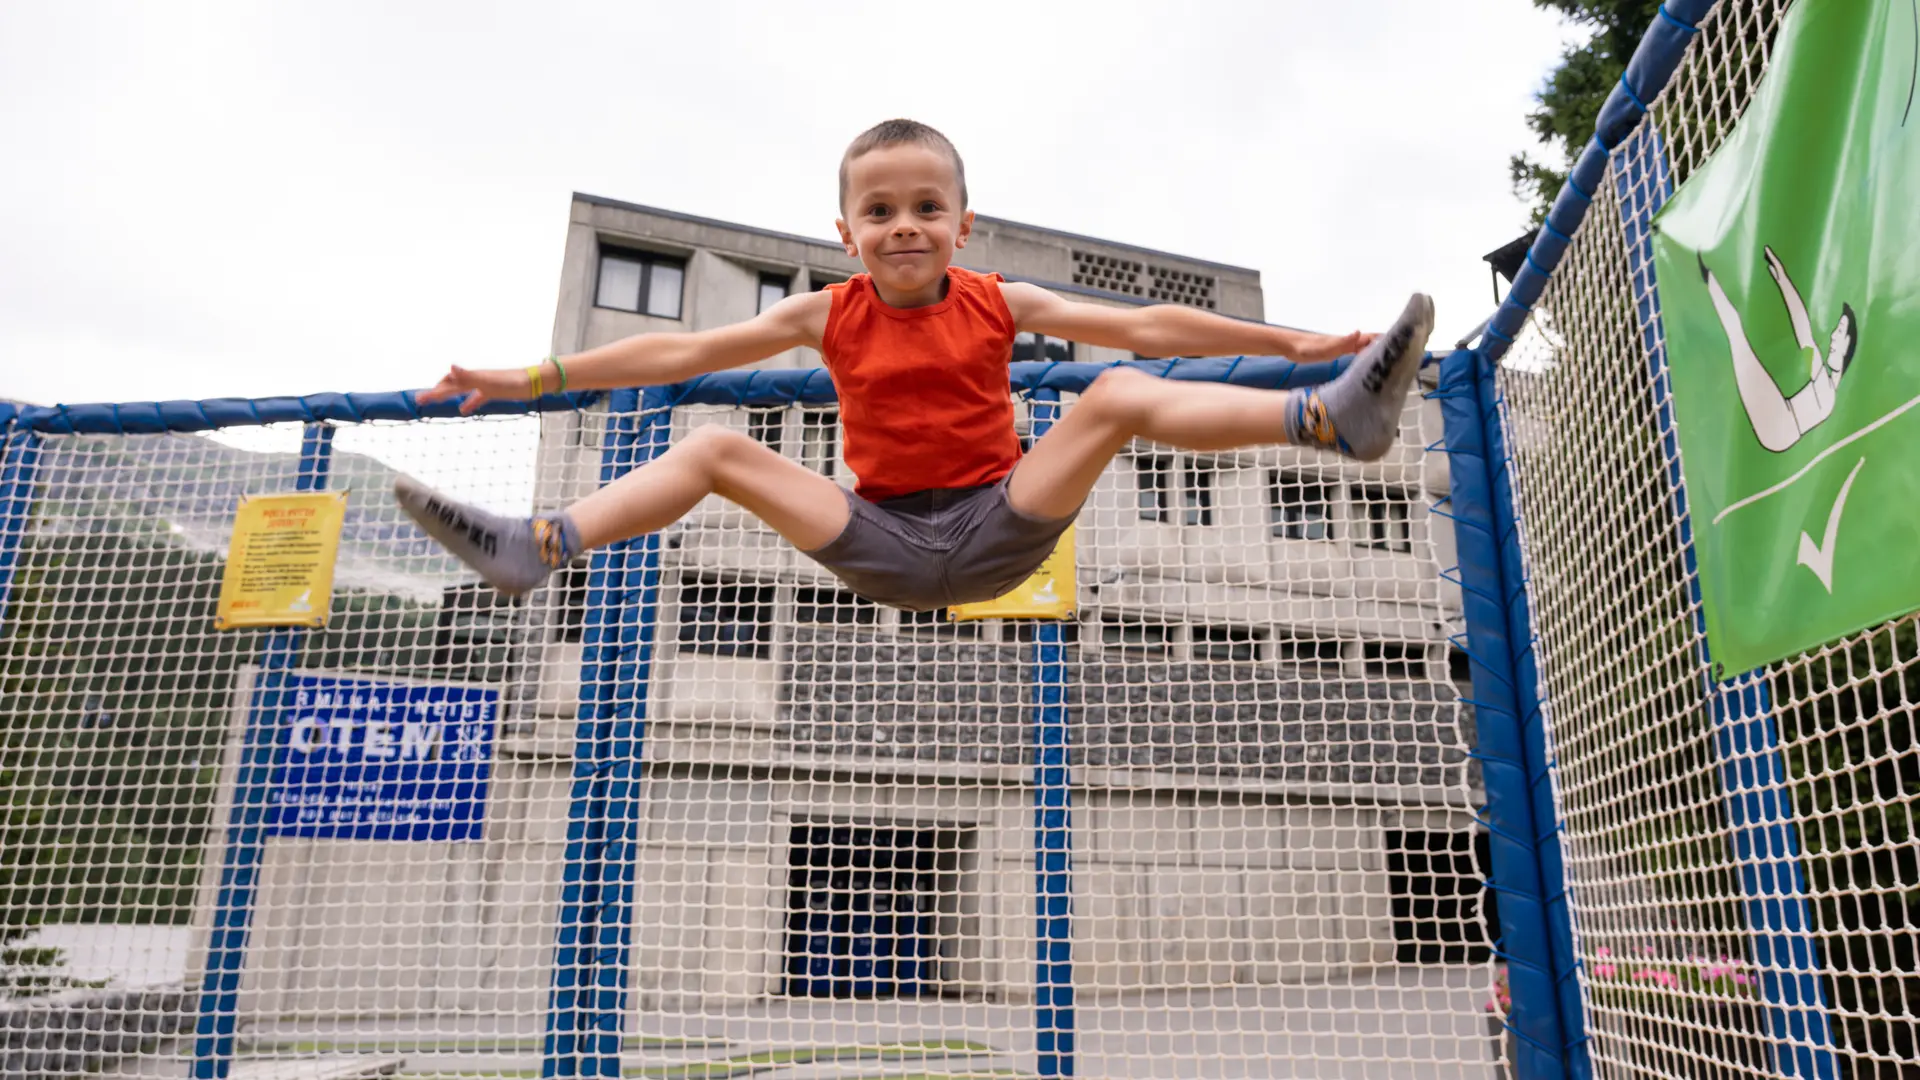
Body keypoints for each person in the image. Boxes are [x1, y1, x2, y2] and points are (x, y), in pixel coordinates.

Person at [397, 119, 1435, 612]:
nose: (904, 228)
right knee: (714, 442)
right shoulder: (823, 312)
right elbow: (679, 349)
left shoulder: (1000, 301)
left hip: (998, 525)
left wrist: (1291, 345)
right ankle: (543, 544)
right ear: (846, 232)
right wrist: (524, 380)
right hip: (882, 539)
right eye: (880, 212)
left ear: (962, 224)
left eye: (925, 209)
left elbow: (1152, 327)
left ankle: (1328, 418)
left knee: (1115, 390)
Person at [1699, 247, 1857, 453]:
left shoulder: (1826, 391)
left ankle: (1707, 277)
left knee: (1736, 335)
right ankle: (1707, 278)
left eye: (1840, 331)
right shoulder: (1824, 386)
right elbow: (1804, 338)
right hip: (1780, 423)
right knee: (1736, 335)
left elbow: (1805, 337)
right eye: (1837, 329)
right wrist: (1783, 281)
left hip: (1781, 424)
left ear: (1848, 346)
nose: (1834, 336)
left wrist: (1784, 282)